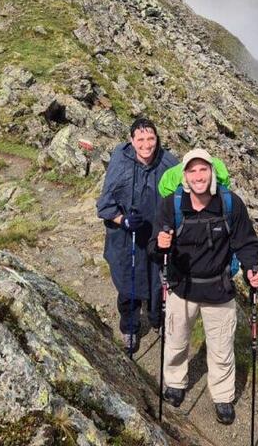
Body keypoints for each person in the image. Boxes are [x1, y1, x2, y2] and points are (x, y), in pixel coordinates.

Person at [152, 148, 258, 425]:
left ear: (212, 173)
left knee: (221, 347)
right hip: (182, 287)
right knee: (176, 341)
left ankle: (223, 397)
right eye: (192, 170)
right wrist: (159, 244)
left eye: (204, 169)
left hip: (219, 288)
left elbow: (246, 242)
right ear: (185, 177)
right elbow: (155, 251)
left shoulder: (230, 204)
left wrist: (251, 270)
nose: (198, 175)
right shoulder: (171, 205)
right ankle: (175, 383)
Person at [96, 117, 178, 353]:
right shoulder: (120, 161)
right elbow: (104, 205)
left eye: (150, 138)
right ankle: (130, 327)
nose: (146, 144)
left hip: (157, 237)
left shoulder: (169, 164)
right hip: (125, 238)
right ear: (131, 141)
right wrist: (123, 220)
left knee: (158, 282)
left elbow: (184, 198)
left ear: (157, 139)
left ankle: (157, 320)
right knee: (127, 284)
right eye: (140, 139)